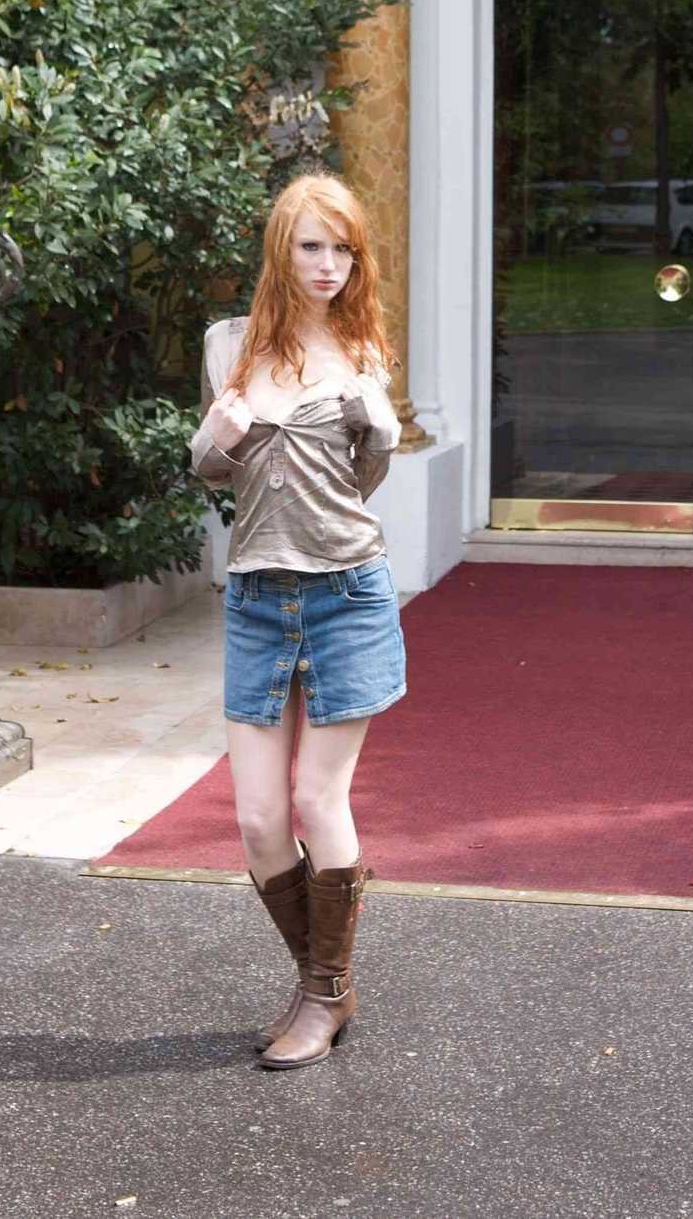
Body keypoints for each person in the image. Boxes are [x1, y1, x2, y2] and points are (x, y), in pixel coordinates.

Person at [189, 170, 405, 1071]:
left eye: (344, 249)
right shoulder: (229, 344)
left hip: (346, 592)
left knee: (318, 800)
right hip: (257, 601)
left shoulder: (362, 352)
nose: (328, 265)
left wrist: (382, 428)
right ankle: (328, 980)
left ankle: (320, 999)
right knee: (256, 822)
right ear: (282, 249)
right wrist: (223, 431)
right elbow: (207, 472)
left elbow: (357, 485)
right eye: (312, 246)